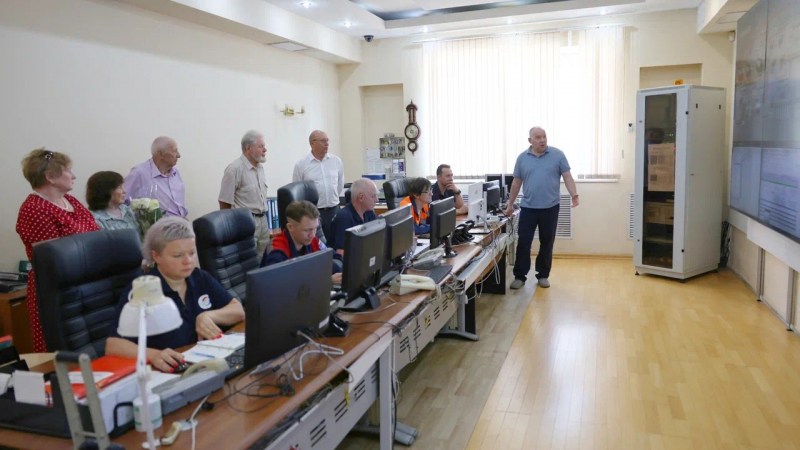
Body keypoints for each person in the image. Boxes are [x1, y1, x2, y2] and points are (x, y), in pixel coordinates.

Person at [105, 217, 245, 373]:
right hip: (172, 370)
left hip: (208, 363)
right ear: (156, 256)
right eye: (178, 256)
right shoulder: (143, 289)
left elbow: (238, 311)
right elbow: (113, 345)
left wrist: (208, 316)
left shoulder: (199, 277)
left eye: (192, 253)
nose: (188, 261)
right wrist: (153, 355)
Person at [16, 149, 100, 353]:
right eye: (68, 170)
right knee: (62, 352)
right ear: (50, 177)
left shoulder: (71, 201)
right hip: (57, 291)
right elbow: (53, 260)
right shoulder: (34, 209)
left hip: (87, 284)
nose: (74, 176)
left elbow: (96, 237)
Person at [505, 127, 578, 290]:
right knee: (524, 242)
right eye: (538, 137)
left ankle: (543, 275)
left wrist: (574, 194)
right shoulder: (522, 158)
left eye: (544, 136)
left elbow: (567, 176)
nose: (542, 140)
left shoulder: (558, 155)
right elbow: (516, 183)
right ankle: (520, 276)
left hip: (550, 208)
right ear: (530, 140)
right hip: (528, 208)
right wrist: (510, 205)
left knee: (547, 242)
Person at [261, 200, 343, 285]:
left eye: (315, 228)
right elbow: (280, 285)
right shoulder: (277, 249)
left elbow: (337, 260)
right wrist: (325, 279)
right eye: (307, 230)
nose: (312, 235)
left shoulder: (313, 241)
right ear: (290, 227)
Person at [219, 130, 271, 257]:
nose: (265, 150)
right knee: (248, 259)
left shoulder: (260, 167)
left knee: (264, 260)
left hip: (263, 221)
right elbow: (224, 202)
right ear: (248, 148)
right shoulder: (234, 169)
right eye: (261, 146)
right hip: (246, 222)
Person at [292, 130, 344, 243]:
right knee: (317, 245)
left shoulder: (336, 161)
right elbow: (297, 192)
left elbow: (339, 185)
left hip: (333, 210)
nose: (327, 143)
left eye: (327, 140)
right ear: (312, 143)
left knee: (336, 243)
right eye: (323, 141)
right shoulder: (301, 165)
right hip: (313, 214)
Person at [124, 136, 188, 218]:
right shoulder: (139, 173)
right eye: (174, 151)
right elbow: (120, 200)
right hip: (158, 225)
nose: (178, 155)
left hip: (180, 222)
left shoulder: (175, 171)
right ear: (161, 154)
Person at [86, 171, 142, 240]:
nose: (124, 191)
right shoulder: (96, 219)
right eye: (119, 187)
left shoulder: (127, 209)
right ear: (106, 191)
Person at [329, 178, 378, 255]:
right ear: (361, 197)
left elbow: (376, 240)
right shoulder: (344, 218)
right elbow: (341, 254)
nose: (377, 199)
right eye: (373, 196)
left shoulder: (369, 212)